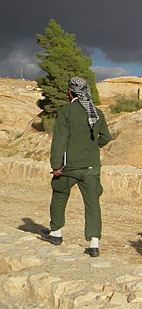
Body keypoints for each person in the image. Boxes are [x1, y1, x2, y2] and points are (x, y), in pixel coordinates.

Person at [40, 76, 112, 257]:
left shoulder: (66, 111)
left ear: (70, 92)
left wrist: (56, 166)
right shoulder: (97, 112)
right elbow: (106, 138)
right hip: (91, 166)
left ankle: (56, 233)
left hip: (69, 166)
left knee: (59, 193)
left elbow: (59, 141)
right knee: (93, 202)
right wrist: (92, 146)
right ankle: (94, 243)